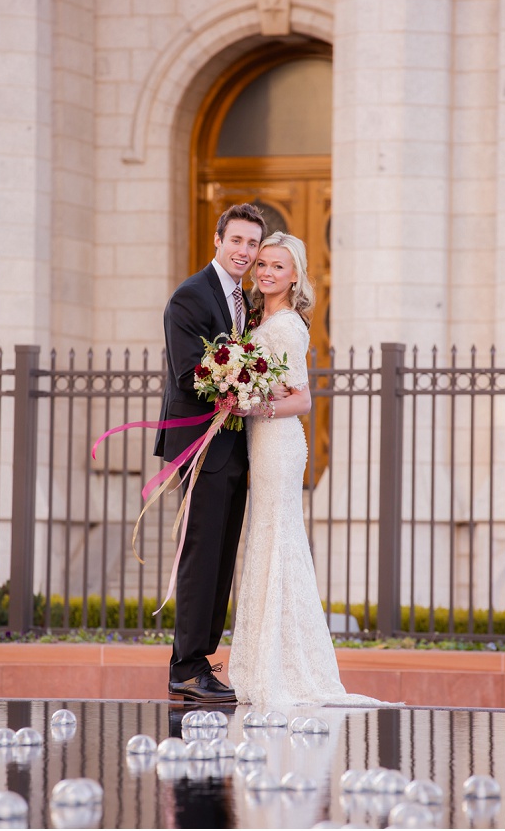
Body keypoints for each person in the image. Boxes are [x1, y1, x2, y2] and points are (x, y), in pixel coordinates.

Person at [227, 232, 383, 708]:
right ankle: (263, 659)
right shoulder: (260, 317)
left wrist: (249, 405)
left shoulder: (288, 325)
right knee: (268, 539)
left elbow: (301, 399)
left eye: (277, 266)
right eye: (263, 265)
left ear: (295, 275)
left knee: (278, 538)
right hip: (263, 443)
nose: (267, 272)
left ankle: (285, 666)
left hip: (279, 445)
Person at [157, 202, 266, 704]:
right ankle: (185, 666)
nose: (244, 251)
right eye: (237, 241)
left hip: (233, 448)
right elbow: (188, 372)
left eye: (252, 244)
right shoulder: (190, 297)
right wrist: (239, 384)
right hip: (202, 445)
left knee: (222, 558)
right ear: (218, 241)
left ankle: (203, 659)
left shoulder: (242, 299)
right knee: (202, 557)